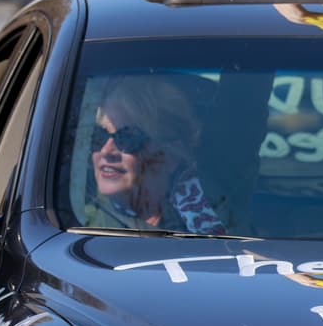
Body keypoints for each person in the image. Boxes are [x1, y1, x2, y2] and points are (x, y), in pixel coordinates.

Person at [83, 75, 228, 234]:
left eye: (127, 137)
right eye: (99, 136)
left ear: (169, 155)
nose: (105, 151)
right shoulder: (77, 214)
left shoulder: (210, 216)